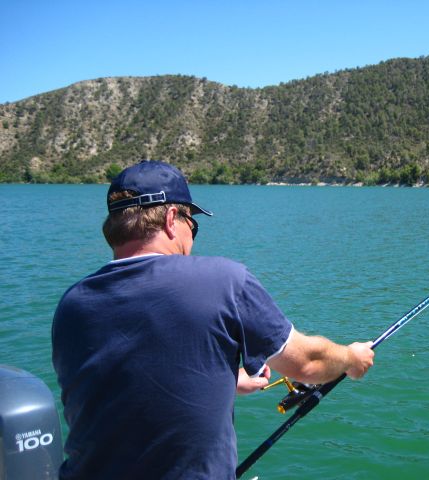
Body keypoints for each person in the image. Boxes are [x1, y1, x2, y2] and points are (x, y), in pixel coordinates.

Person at [51, 160, 374, 480]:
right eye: (193, 224)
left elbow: (125, 379)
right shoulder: (224, 280)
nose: (193, 237)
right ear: (171, 218)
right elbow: (307, 364)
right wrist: (351, 358)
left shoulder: (72, 304)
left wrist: (226, 381)